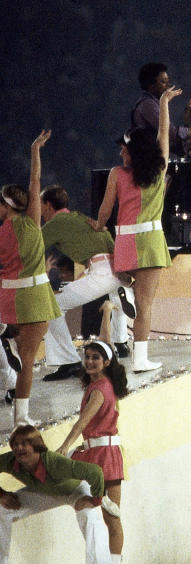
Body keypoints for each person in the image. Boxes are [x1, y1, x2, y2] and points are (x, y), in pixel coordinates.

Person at [97, 87, 181, 371]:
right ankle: (140, 360)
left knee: (127, 285)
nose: (121, 151)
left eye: (124, 147)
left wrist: (98, 224)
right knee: (146, 306)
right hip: (151, 242)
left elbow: (106, 210)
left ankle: (127, 291)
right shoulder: (158, 171)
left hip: (124, 243)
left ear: (133, 151)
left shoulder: (116, 174)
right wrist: (164, 105)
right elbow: (163, 137)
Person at [0, 425, 114, 564]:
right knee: (2, 509)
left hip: (74, 491)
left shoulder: (54, 462)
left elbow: (95, 472)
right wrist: (1, 495)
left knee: (90, 516)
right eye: (15, 444)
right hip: (44, 492)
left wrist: (95, 499)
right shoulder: (12, 460)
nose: (18, 448)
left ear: (36, 445)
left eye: (25, 444)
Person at [39, 184, 134, 381]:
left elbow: (32, 248)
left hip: (99, 271)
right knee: (116, 293)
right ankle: (121, 343)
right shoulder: (81, 218)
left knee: (52, 305)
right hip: (115, 266)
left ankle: (68, 361)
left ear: (48, 204)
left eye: (40, 205)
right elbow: (107, 237)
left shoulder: (56, 223)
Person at [55, 333, 128, 564]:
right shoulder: (97, 385)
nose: (89, 361)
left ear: (106, 362)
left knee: (111, 516)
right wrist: (107, 314)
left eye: (95, 357)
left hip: (106, 456)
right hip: (93, 453)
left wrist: (64, 447)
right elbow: (106, 340)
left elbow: (82, 422)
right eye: (86, 357)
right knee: (95, 514)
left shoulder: (101, 389)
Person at [1, 131, 62, 426]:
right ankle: (21, 419)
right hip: (34, 299)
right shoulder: (32, 223)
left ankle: (7, 338)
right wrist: (35, 150)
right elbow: (35, 181)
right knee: (28, 363)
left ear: (6, 206)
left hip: (7, 300)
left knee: (20, 357)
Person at [131, 62, 186, 154]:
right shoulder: (147, 104)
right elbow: (171, 132)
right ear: (151, 85)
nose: (168, 86)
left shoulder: (154, 103)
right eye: (163, 82)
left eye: (168, 81)